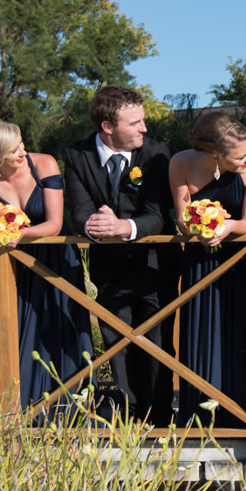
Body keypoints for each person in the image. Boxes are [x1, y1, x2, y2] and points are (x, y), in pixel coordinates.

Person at [64, 86, 177, 426]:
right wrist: (93, 225)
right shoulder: (77, 154)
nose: (144, 128)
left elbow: (157, 214)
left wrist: (122, 226)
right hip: (109, 270)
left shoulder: (157, 154)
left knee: (157, 345)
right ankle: (130, 418)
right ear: (107, 127)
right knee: (116, 345)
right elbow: (79, 212)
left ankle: (158, 421)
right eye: (135, 123)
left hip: (155, 266)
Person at [0, 115, 93, 412]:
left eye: (22, 144)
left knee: (58, 331)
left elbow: (54, 223)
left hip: (54, 260)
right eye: (14, 151)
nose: (23, 153)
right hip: (10, 265)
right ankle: (6, 407)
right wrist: (3, 235)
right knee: (9, 327)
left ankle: (67, 407)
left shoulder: (45, 164)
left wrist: (16, 236)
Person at [169, 111, 246, 425]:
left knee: (239, 337)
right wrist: (200, 229)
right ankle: (200, 418)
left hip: (238, 261)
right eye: (238, 157)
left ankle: (242, 417)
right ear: (214, 154)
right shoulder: (180, 163)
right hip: (201, 263)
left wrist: (225, 227)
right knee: (202, 334)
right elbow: (183, 223)